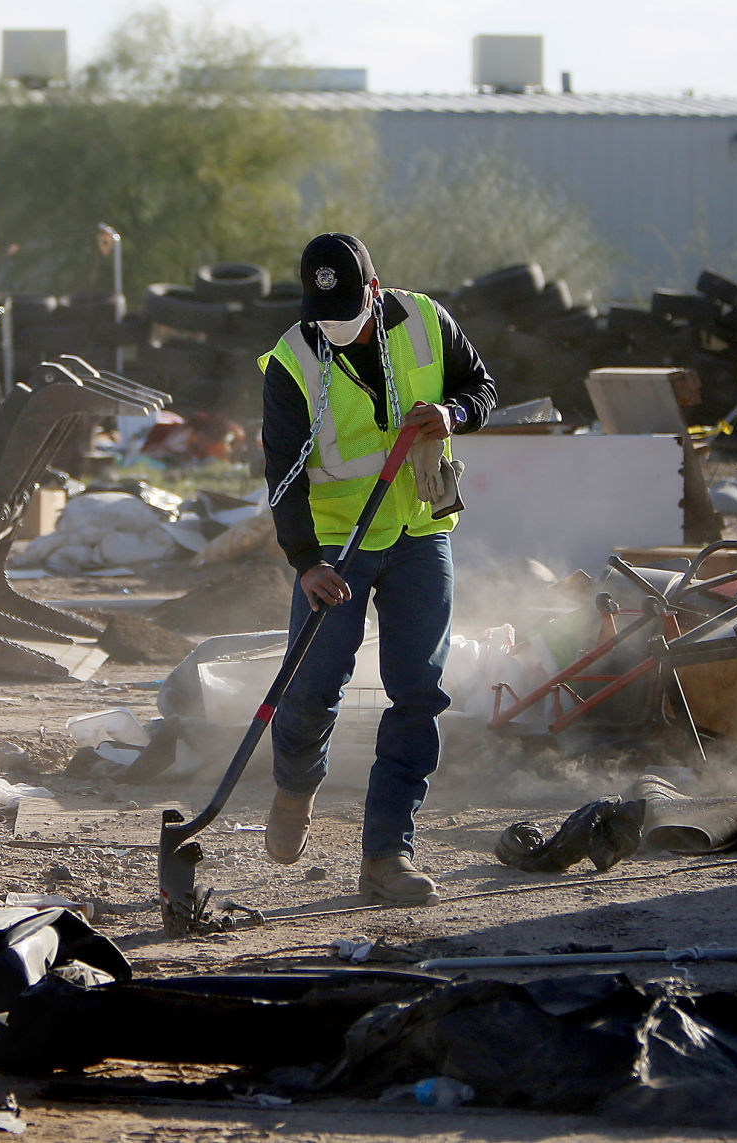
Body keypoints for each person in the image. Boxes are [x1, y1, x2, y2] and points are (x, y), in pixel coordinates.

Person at [259, 232, 497, 906]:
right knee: (312, 688)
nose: (335, 329)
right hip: (335, 545)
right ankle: (294, 789)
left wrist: (450, 413)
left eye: (348, 313)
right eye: (322, 318)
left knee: (417, 693)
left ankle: (387, 854)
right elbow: (282, 475)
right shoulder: (291, 362)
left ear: (373, 288)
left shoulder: (426, 321)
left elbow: (483, 388)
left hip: (420, 532)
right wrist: (305, 563)